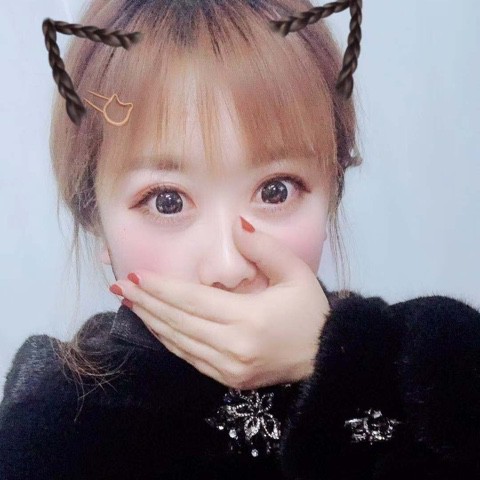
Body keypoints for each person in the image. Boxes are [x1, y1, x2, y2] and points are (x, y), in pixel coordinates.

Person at [1, 1, 479, 478]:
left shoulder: (432, 367)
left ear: (331, 191)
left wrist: (330, 355)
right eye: (167, 201)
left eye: (275, 191)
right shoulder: (59, 425)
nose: (229, 267)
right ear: (95, 215)